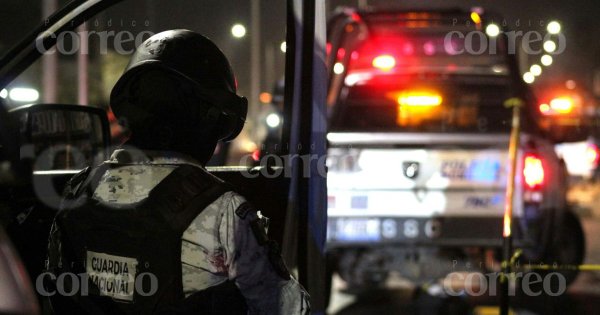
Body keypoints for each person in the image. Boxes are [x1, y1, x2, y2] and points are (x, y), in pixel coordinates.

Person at [45, 29, 310, 315]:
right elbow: (289, 307)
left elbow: (54, 291)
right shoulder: (223, 211)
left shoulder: (79, 188)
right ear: (210, 121)